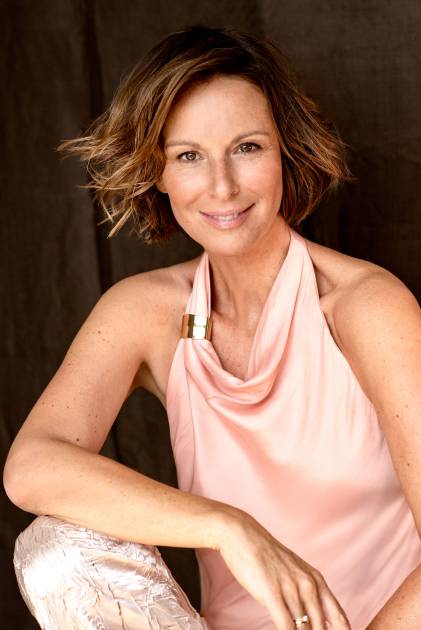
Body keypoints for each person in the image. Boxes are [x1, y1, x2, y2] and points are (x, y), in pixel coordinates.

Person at [3, 23, 421, 630]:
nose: (222, 186)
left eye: (247, 147)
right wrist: (228, 527)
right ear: (158, 172)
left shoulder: (363, 305)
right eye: (189, 156)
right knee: (53, 550)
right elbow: (32, 465)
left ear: (285, 152)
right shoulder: (146, 311)